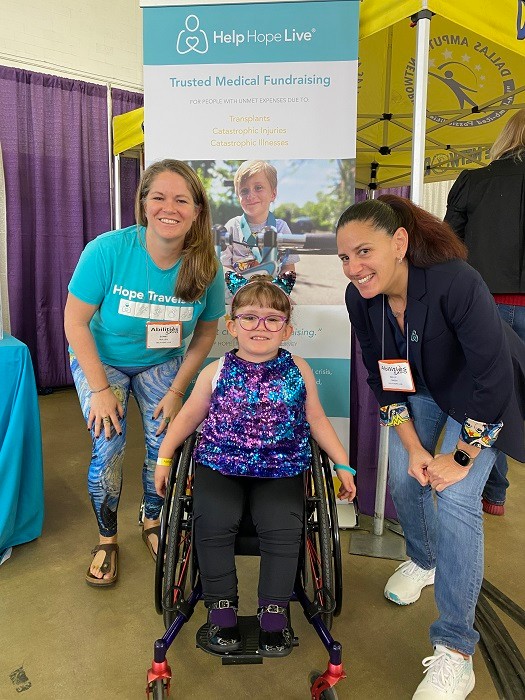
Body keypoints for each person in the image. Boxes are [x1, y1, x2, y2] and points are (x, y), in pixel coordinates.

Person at [336, 195, 525, 699]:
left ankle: (456, 651)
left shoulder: (456, 281)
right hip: (416, 390)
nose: (354, 268)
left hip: (477, 396)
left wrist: (460, 455)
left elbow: (493, 377)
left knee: (458, 496)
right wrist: (413, 447)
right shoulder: (360, 298)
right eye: (344, 258)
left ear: (399, 243)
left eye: (364, 252)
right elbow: (381, 374)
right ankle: (424, 559)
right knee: (405, 475)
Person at [155, 272, 356, 656]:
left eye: (272, 319)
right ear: (232, 326)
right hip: (220, 464)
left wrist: (342, 465)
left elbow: (316, 419)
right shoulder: (215, 372)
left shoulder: (299, 369)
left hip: (281, 468)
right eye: (249, 317)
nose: (259, 326)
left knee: (283, 527)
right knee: (212, 521)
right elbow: (187, 418)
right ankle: (222, 611)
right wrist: (165, 457)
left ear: (286, 329)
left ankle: (274, 614)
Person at [64, 159, 225, 587]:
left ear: (196, 210)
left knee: (164, 444)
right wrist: (99, 389)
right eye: (158, 197)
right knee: (108, 447)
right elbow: (74, 321)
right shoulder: (107, 250)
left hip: (163, 363)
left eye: (181, 199)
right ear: (143, 203)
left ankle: (151, 520)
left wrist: (176, 391)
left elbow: (206, 334)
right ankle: (107, 538)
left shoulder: (206, 266)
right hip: (103, 361)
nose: (168, 207)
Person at [444, 108, 525, 516]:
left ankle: (493, 490)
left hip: (483, 306)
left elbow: (447, 249)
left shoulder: (473, 182)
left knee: (489, 396)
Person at [220, 160, 299, 277]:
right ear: (238, 197)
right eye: (244, 191)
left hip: (272, 292)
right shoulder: (231, 227)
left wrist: (280, 291)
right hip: (238, 293)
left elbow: (288, 267)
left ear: (273, 194)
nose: (250, 196)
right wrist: (238, 286)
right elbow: (224, 265)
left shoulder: (281, 227)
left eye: (258, 187)